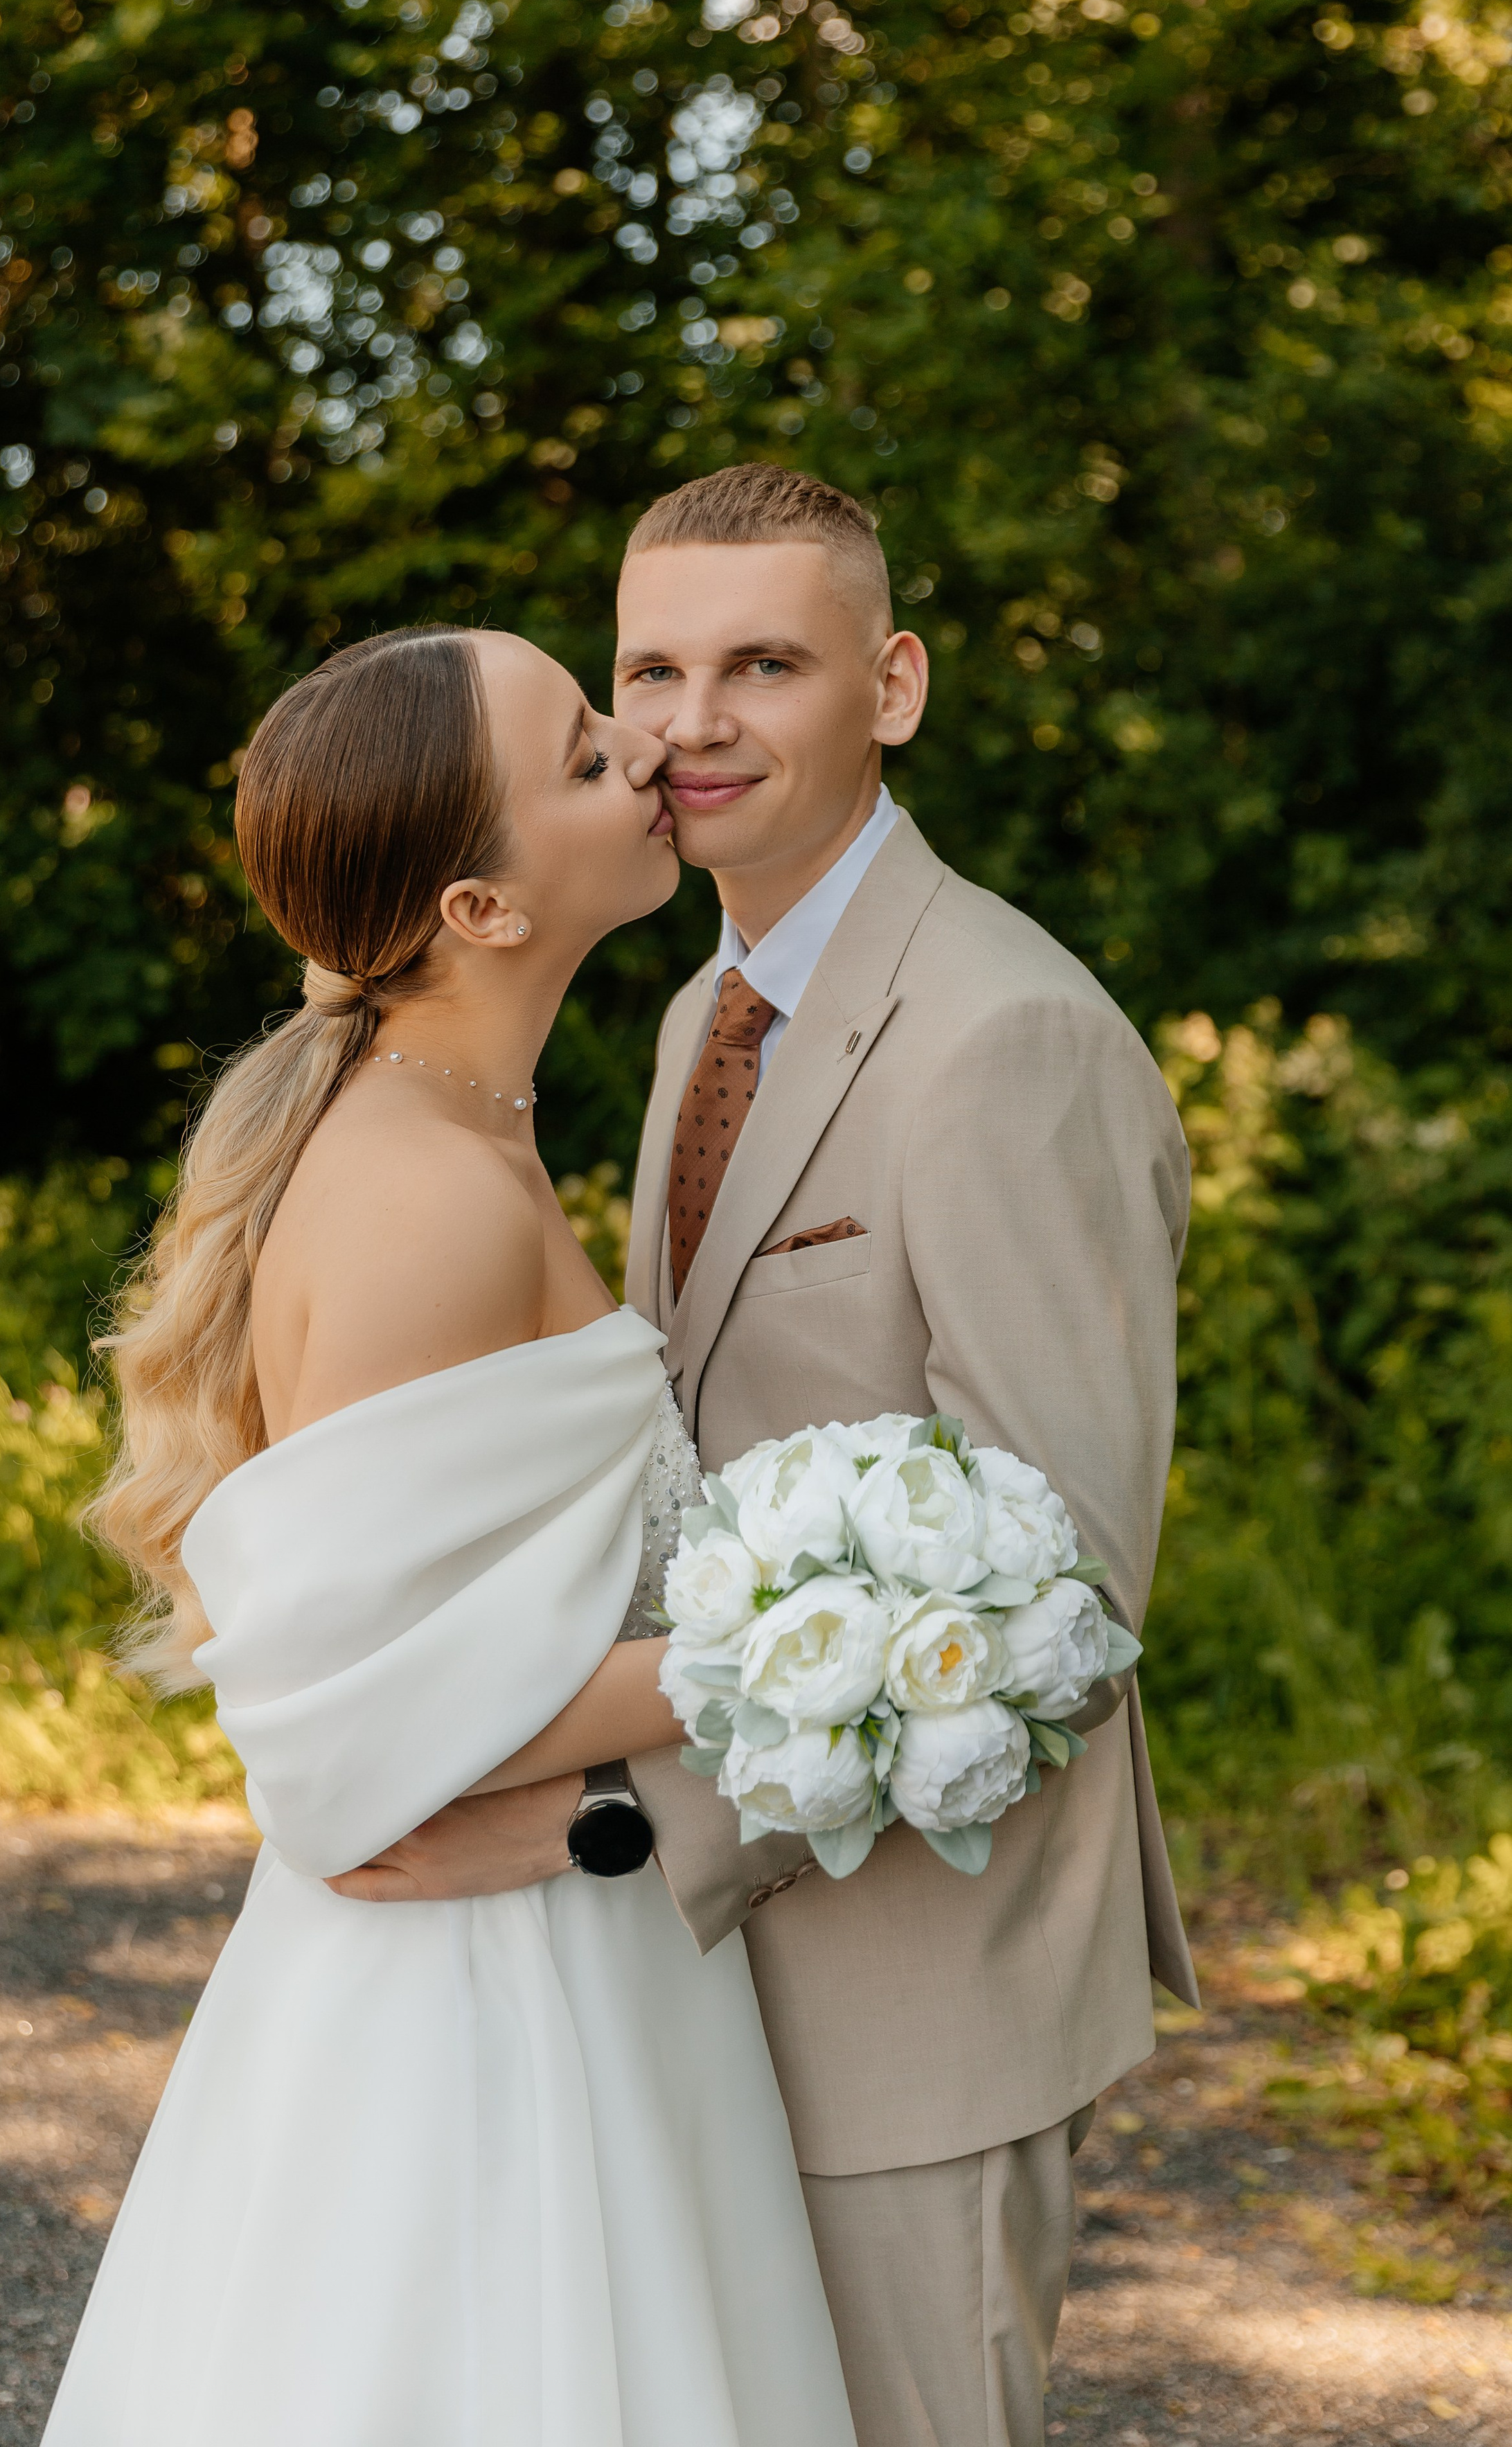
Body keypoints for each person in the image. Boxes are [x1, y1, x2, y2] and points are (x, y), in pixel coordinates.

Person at [346, 470, 1200, 2447]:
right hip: (702, 1974)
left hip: (922, 1975)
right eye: (650, 671)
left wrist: (599, 1830)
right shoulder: (698, 1015)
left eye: (765, 666)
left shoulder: (1006, 1037)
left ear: (892, 687)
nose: (693, 724)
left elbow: (1060, 1593)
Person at [41, 625, 856, 2447]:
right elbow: (361, 1721)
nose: (645, 748)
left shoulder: (465, 1125)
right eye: (582, 752)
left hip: (566, 1934)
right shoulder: (421, 1193)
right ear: (481, 906)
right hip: (482, 2010)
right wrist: (809, 1651)